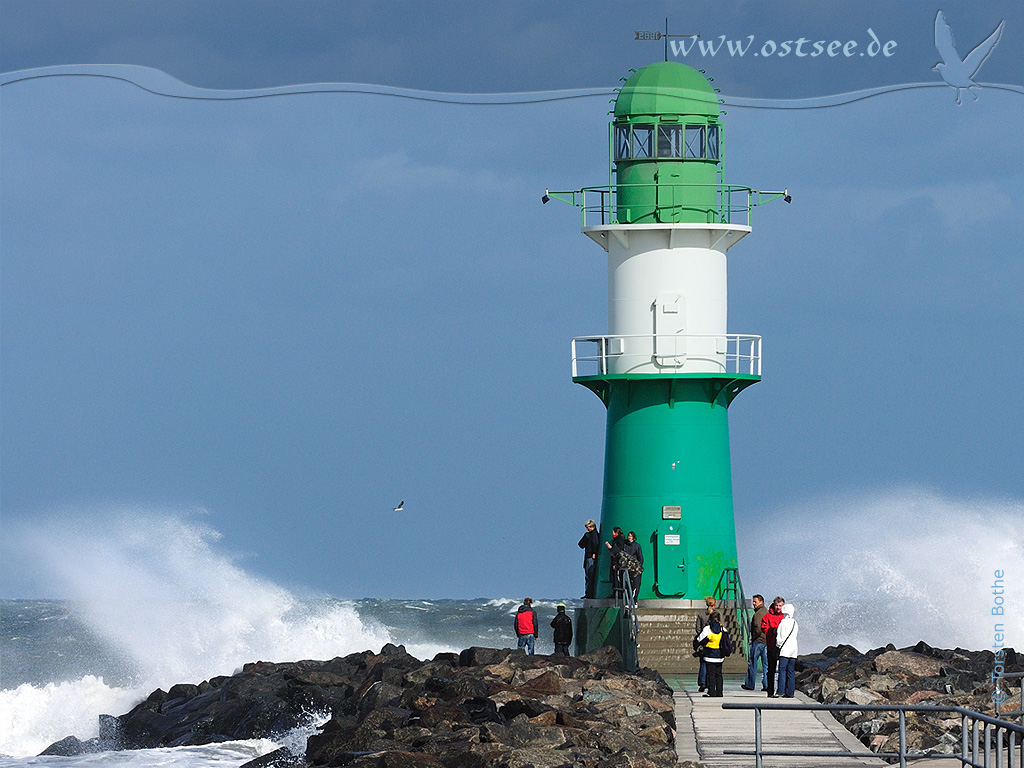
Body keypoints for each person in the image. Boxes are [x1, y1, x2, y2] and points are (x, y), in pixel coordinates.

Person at [694, 610, 733, 697]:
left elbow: (700, 639)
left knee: (710, 674)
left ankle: (711, 692)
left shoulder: (707, 629)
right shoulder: (723, 629)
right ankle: (719, 692)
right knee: (719, 674)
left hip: (709, 655)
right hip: (720, 655)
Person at [742, 594, 769, 692]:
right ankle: (766, 685)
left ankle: (750, 684)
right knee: (766, 665)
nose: (753, 604)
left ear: (761, 602)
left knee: (752, 663)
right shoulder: (766, 611)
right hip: (766, 641)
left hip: (758, 641)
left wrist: (754, 637)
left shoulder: (758, 614)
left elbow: (757, 626)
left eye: (755, 602)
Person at [762, 596, 785, 697]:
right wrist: (773, 631)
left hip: (783, 648)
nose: (778, 608)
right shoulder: (767, 616)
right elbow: (764, 628)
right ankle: (770, 691)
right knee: (771, 670)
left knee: (782, 669)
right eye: (777, 605)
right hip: (771, 646)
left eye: (780, 606)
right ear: (773, 605)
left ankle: (781, 690)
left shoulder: (785, 616)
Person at [776, 603, 799, 698]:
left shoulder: (783, 623)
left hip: (785, 650)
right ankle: (790, 692)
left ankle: (780, 691)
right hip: (793, 649)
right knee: (791, 671)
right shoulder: (795, 623)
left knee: (782, 670)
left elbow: (779, 638)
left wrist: (778, 646)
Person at [694, 596, 716, 692]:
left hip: (703, 641)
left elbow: (698, 629)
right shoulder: (717, 614)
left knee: (703, 663)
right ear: (714, 604)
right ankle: (710, 682)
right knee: (713, 663)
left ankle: (702, 682)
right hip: (714, 641)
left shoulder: (701, 614)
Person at [577, 520, 600, 598]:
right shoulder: (589, 535)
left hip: (590, 557)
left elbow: (596, 544)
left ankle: (589, 594)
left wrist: (594, 553)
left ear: (592, 526)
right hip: (588, 556)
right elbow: (581, 544)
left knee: (590, 576)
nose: (587, 529)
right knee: (588, 576)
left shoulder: (594, 535)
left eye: (588, 527)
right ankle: (588, 593)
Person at [620, 531, 644, 600]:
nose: (629, 537)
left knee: (636, 585)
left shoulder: (637, 546)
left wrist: (638, 566)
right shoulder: (625, 545)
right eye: (628, 536)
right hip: (627, 568)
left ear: (633, 537)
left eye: (630, 536)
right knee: (627, 585)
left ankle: (634, 601)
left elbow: (640, 557)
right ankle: (628, 600)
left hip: (635, 569)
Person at [604, 527, 625, 598]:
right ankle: (615, 593)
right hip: (614, 561)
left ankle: (619, 594)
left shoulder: (619, 541)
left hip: (617, 562)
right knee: (614, 578)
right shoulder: (616, 540)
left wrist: (610, 547)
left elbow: (618, 551)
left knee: (618, 579)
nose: (611, 533)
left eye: (613, 531)